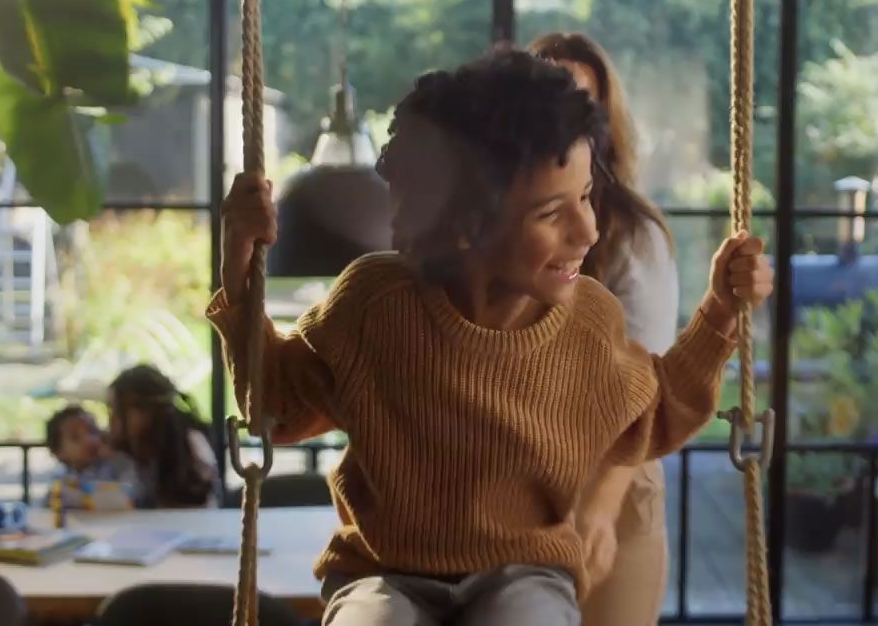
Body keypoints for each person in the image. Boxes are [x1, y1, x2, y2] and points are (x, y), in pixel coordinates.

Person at [209, 48, 773, 625]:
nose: (588, 230)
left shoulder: (587, 323)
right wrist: (239, 273)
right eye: (552, 213)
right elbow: (275, 409)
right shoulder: (375, 305)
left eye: (585, 198)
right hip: (383, 572)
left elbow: (657, 412)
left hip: (526, 572)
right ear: (462, 226)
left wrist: (720, 312)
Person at [529, 31, 677, 625]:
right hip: (519, 488)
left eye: (581, 104)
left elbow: (647, 381)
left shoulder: (630, 235)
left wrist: (601, 506)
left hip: (612, 485)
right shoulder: (489, 231)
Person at [107, 365, 219, 508]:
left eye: (115, 409)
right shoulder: (121, 451)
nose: (111, 419)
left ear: (144, 412)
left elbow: (198, 504)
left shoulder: (190, 444)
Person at [44, 405, 140, 508]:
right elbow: (48, 507)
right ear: (59, 452)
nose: (88, 440)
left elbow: (133, 494)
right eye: (75, 437)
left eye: (93, 431)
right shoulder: (61, 479)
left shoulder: (117, 464)